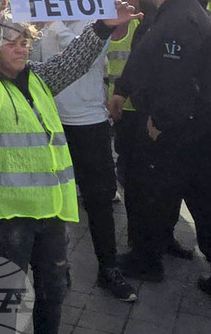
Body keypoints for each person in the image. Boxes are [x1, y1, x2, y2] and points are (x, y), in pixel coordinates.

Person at [0, 0, 141, 333]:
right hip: (8, 215)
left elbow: (73, 60)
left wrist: (102, 27)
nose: (20, 49)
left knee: (53, 291)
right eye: (10, 43)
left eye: (24, 43)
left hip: (50, 212)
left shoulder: (39, 78)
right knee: (7, 296)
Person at [110, 0, 211, 308]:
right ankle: (155, 251)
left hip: (191, 126)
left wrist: (161, 121)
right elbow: (145, 56)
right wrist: (123, 89)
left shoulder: (181, 19)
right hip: (194, 120)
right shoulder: (170, 8)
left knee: (203, 199)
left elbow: (177, 80)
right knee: (166, 191)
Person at [38, 18, 137, 302]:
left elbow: (85, 53)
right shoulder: (38, 16)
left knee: (100, 200)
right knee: (53, 200)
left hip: (89, 121)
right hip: (50, 122)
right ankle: (58, 265)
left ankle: (108, 268)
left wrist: (54, 25)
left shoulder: (97, 17)